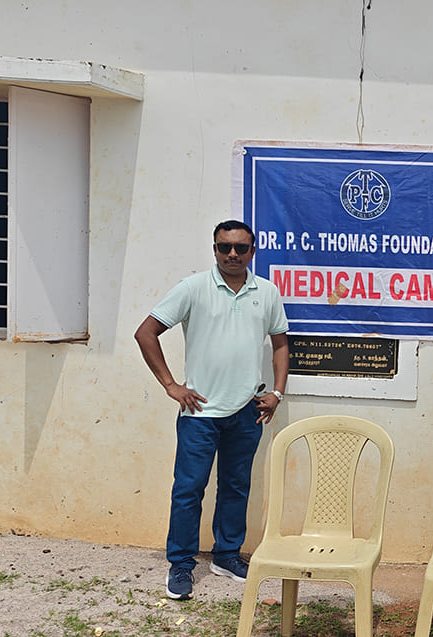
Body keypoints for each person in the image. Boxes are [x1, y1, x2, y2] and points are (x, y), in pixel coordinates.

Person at [134, 220, 289, 601]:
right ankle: (181, 565)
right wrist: (171, 385)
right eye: (224, 247)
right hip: (200, 413)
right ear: (215, 249)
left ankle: (227, 556)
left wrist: (277, 393)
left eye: (240, 248)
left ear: (253, 251)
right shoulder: (193, 288)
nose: (232, 254)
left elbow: (281, 344)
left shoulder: (267, 292)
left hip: (247, 411)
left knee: (236, 487)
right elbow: (146, 333)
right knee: (189, 490)